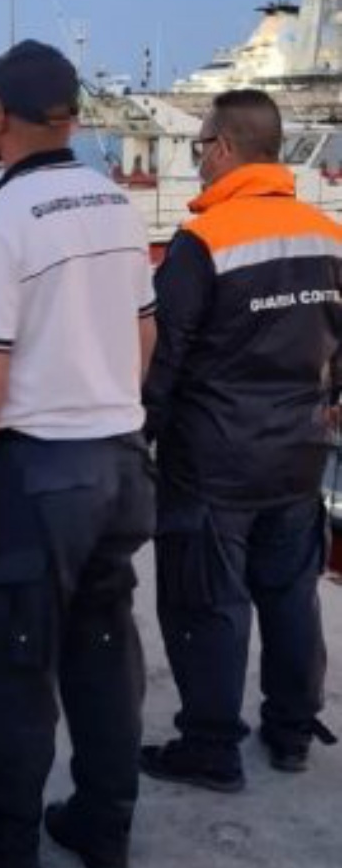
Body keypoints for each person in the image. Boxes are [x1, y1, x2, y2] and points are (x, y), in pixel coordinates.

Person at [0, 40, 157, 868]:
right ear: (70, 117)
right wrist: (104, 408)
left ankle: (8, 838)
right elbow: (142, 332)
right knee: (101, 649)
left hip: (39, 479)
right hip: (120, 464)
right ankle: (104, 829)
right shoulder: (114, 204)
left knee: (16, 663)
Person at [141, 88, 342, 793]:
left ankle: (209, 746)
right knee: (289, 596)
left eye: (199, 147)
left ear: (224, 149)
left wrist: (141, 436)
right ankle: (289, 731)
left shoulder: (204, 243)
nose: (196, 162)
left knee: (207, 604)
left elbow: (165, 356)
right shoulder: (326, 233)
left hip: (214, 463)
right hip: (298, 456)